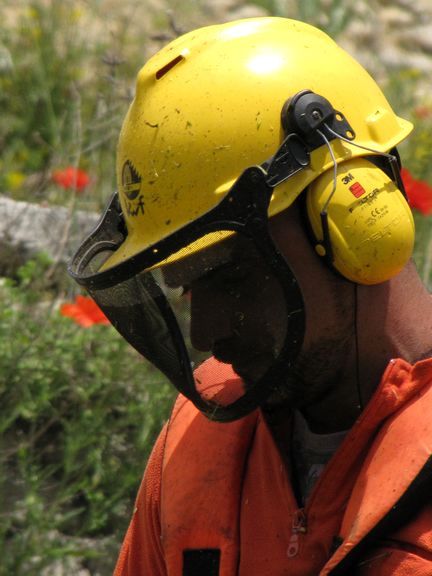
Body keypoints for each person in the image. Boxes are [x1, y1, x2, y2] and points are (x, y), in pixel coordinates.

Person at [69, 17, 432, 575]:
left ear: (356, 218)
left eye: (230, 276)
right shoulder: (194, 445)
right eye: (189, 287)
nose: (205, 332)